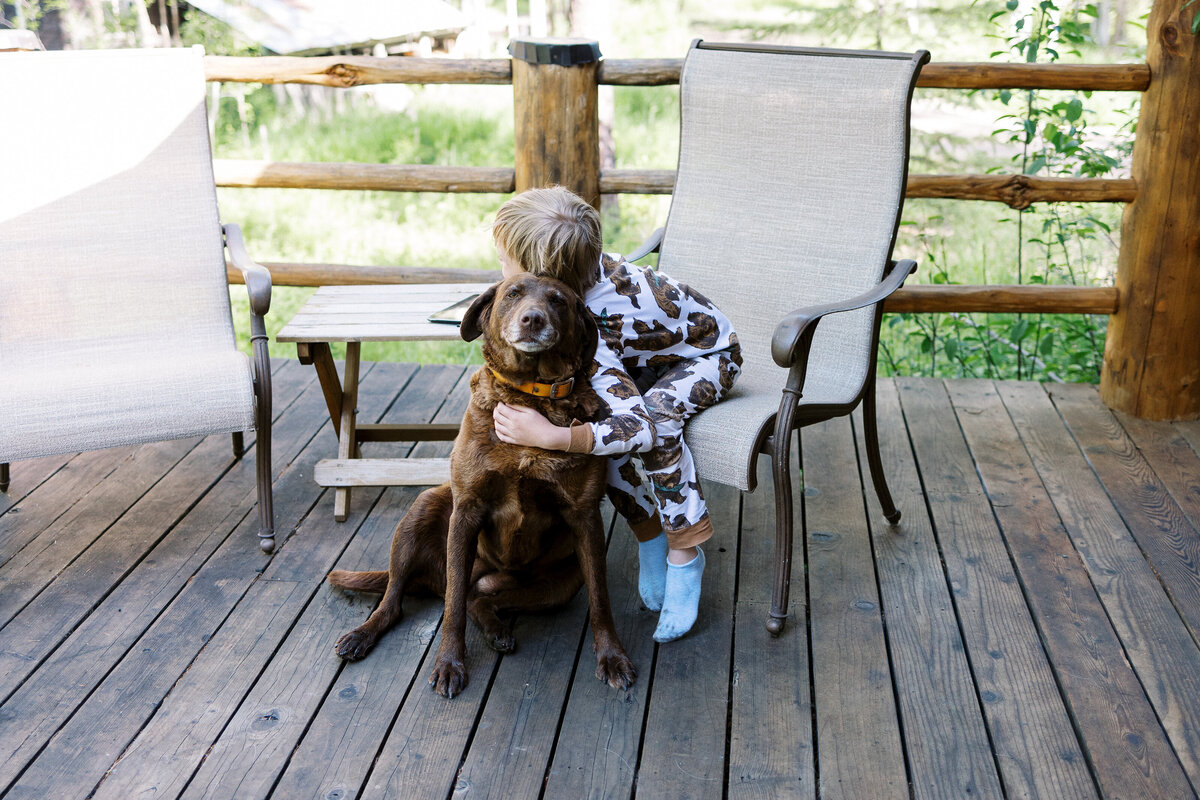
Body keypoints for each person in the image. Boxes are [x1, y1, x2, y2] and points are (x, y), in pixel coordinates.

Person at [488, 186, 741, 643]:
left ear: (548, 275)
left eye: (507, 261)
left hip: (707, 357)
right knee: (603, 421)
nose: (501, 269)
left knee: (654, 425)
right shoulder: (577, 276)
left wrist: (557, 438)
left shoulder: (591, 324)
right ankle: (649, 533)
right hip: (643, 360)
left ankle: (685, 553)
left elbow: (639, 430)